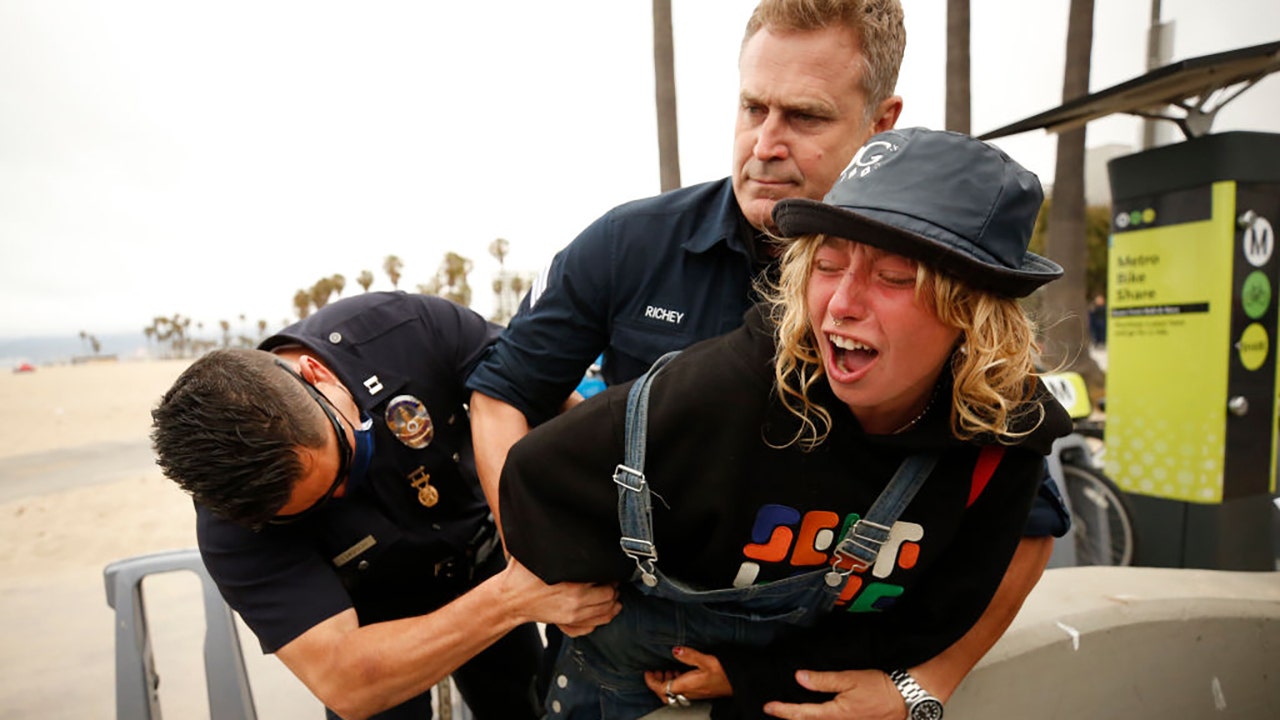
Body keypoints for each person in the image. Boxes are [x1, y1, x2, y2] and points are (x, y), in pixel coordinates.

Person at [466, 0, 1069, 715]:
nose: (765, 143)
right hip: (621, 659)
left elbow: (1027, 520)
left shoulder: (963, 297)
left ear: (881, 120)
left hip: (805, 670)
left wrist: (924, 683)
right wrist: (538, 570)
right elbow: (502, 396)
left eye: (805, 117)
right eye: (753, 108)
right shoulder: (629, 243)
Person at [150, 291, 619, 720]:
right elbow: (345, 681)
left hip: (483, 557)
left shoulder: (408, 330)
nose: (343, 493)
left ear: (317, 375)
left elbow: (556, 412)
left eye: (345, 464)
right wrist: (513, 600)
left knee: (524, 706)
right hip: (368, 621)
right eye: (315, 508)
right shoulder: (231, 520)